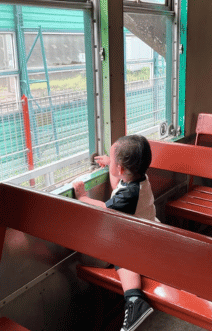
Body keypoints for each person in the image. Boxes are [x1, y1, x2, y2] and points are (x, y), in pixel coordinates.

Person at [73, 135, 157, 331]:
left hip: (140, 243)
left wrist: (83, 197)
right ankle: (134, 300)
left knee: (122, 258)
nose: (109, 160)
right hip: (146, 232)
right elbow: (116, 186)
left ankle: (135, 299)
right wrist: (112, 163)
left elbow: (104, 207)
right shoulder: (139, 180)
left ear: (121, 169)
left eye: (112, 158)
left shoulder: (129, 194)